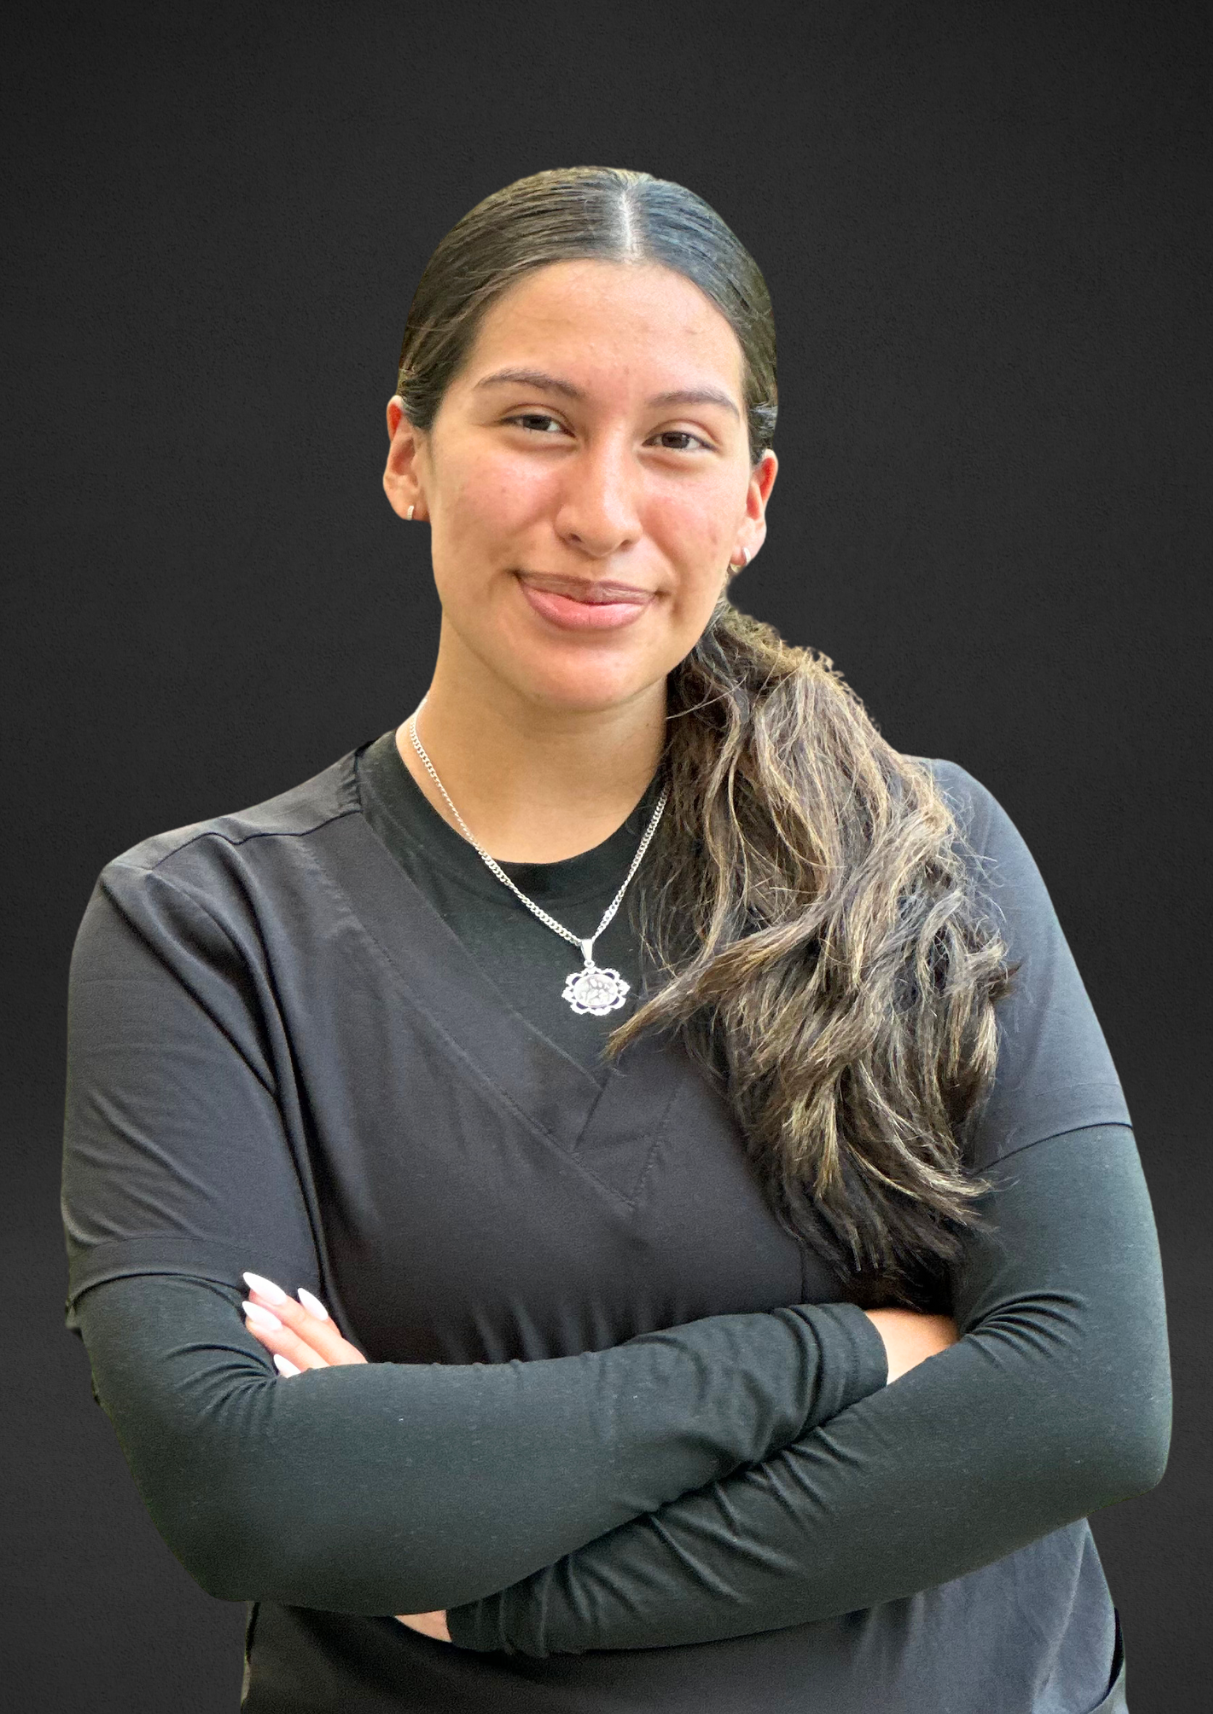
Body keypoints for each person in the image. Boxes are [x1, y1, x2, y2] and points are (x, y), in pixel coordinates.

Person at [61, 166, 1170, 1713]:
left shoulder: (929, 851)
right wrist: (843, 1356)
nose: (600, 511)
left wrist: (514, 1590)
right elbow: (251, 1491)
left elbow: (1089, 1403)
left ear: (752, 503)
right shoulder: (207, 929)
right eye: (533, 421)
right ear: (408, 456)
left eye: (676, 441)